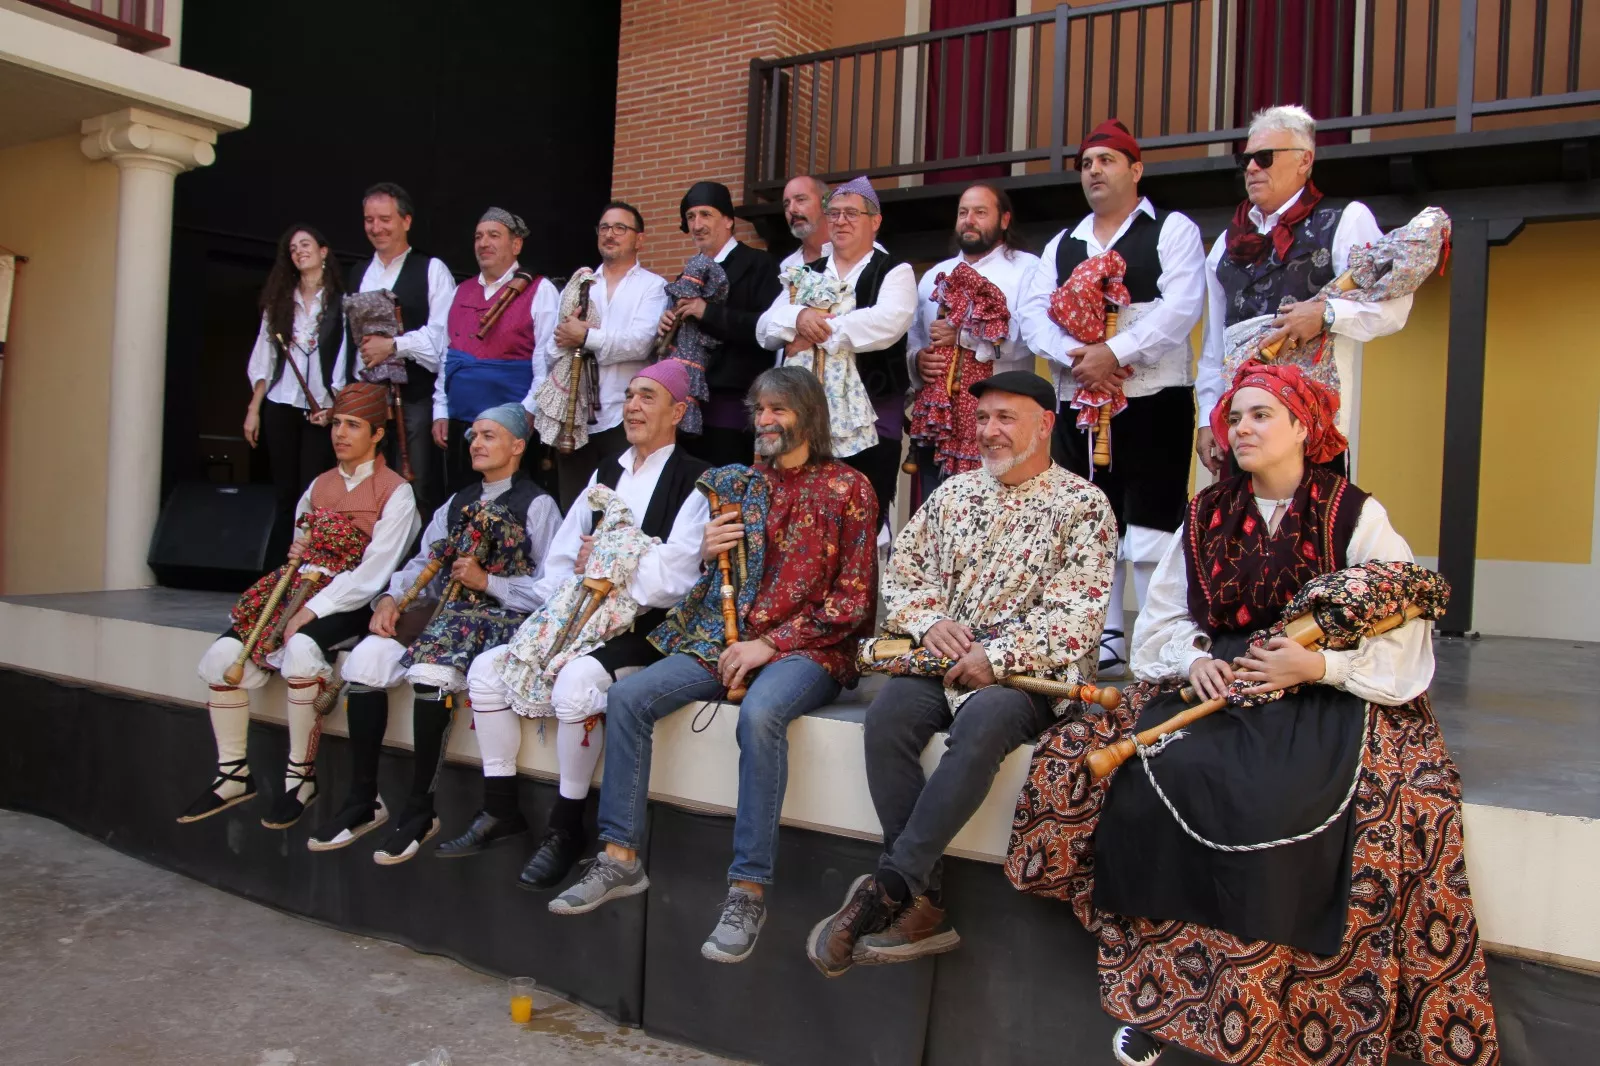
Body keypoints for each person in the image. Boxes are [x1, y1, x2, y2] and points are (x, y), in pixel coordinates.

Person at [1005, 361, 1500, 1066]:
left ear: (1304, 426)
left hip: (1322, 689)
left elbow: (1403, 621)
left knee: (1272, 798)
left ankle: (1268, 1008)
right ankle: (1163, 994)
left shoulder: (1354, 513)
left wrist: (1320, 665)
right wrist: (1196, 655)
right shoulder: (1207, 513)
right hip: (1224, 676)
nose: (1242, 428)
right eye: (1234, 417)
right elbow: (1166, 619)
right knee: (1153, 779)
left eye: (1262, 415)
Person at [549, 366, 878, 965]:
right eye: (759, 411)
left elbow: (854, 602)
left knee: (760, 714)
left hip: (811, 649)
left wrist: (770, 645)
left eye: (779, 410)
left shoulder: (848, 488)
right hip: (725, 636)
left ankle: (747, 889)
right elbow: (708, 580)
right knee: (627, 698)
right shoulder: (737, 486)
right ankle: (620, 858)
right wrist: (708, 552)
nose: (766, 422)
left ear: (809, 415)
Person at [806, 371, 1115, 976]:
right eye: (982, 419)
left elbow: (1078, 613)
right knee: (889, 715)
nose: (990, 432)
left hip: (1031, 676)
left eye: (1006, 418)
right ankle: (925, 900)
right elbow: (905, 574)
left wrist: (996, 658)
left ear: (1045, 424)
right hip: (943, 659)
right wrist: (930, 622)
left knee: (985, 723)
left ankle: (890, 886)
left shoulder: (1084, 505)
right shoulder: (952, 495)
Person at [446, 362, 710, 890]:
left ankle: (566, 829)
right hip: (575, 614)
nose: (633, 406)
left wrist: (609, 556)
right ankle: (500, 807)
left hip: (643, 625)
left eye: (648, 397)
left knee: (576, 683)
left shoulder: (695, 481)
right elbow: (564, 557)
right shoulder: (605, 473)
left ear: (678, 412)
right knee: (486, 671)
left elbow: (674, 579)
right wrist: (555, 608)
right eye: (630, 395)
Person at [311, 404, 561, 863]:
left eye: (490, 436)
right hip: (440, 616)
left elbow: (553, 588)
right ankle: (363, 799)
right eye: (474, 437)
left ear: (518, 446)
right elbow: (420, 562)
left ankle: (420, 809)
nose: (478, 444)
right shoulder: (458, 501)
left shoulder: (537, 504)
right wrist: (390, 598)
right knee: (365, 661)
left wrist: (489, 583)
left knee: (430, 672)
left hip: (497, 619)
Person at [179, 383, 421, 830]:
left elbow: (375, 572)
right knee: (219, 658)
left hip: (353, 599)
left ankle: (300, 778)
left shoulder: (396, 492)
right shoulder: (318, 485)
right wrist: (296, 574)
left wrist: (313, 610)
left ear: (378, 434)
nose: (340, 434)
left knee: (303, 650)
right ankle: (233, 773)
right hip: (301, 588)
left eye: (353, 425)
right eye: (336, 424)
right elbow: (302, 545)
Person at [1017, 118, 1206, 678]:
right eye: (1087, 163)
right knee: (1095, 517)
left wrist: (1116, 352)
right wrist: (1081, 356)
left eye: (1107, 160)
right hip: (1080, 399)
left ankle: (1154, 634)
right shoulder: (1063, 244)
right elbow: (1033, 313)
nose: (1095, 171)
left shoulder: (1172, 229)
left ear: (1135, 169)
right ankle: (1107, 635)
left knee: (1151, 521)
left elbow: (1182, 306)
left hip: (1154, 398)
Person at [1195, 104, 1413, 480]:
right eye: (1246, 159)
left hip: (1311, 428)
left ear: (1304, 160)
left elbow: (1394, 307)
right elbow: (1217, 345)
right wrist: (1206, 416)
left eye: (1264, 157)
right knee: (1237, 536)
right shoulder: (1225, 244)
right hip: (1241, 427)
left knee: (1313, 534)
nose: (1251, 168)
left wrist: (1328, 315)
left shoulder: (1345, 221)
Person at [756, 175, 915, 518]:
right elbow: (764, 329)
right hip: (804, 415)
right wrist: (797, 317)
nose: (841, 221)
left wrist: (818, 329)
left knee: (860, 518)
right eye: (835, 214)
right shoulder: (803, 272)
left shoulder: (894, 270)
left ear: (875, 221)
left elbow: (888, 322)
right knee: (797, 514)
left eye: (852, 214)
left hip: (869, 416)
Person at [906, 184, 1041, 496]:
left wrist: (963, 336)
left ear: (1004, 219)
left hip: (1003, 417)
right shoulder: (934, 275)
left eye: (981, 213)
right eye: (963, 213)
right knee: (937, 510)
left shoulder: (1026, 268)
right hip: (940, 423)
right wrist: (917, 360)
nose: (969, 220)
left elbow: (1029, 340)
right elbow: (913, 337)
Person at [336, 182, 455, 520]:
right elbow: (348, 342)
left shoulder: (431, 269)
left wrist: (393, 346)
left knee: (414, 486)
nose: (376, 228)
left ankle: (410, 569)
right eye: (369, 220)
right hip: (367, 401)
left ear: (406, 221)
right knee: (363, 487)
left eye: (385, 219)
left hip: (415, 399)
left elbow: (442, 339)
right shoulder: (359, 272)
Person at [544, 201, 671, 511]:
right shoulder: (581, 284)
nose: (610, 234)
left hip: (625, 415)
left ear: (639, 239)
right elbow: (551, 348)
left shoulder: (653, 286)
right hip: (574, 416)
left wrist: (585, 337)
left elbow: (639, 344)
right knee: (573, 509)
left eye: (620, 228)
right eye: (604, 228)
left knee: (621, 509)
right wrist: (570, 339)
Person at [429, 208, 558, 495]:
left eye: (493, 235)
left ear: (516, 244)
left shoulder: (540, 290)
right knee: (461, 503)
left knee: (509, 510)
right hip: (461, 422)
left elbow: (546, 361)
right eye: (478, 236)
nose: (484, 243)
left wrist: (529, 411)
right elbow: (446, 356)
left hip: (511, 426)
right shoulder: (459, 291)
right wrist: (440, 410)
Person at [660, 181, 783, 467]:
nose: (697, 224)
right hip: (686, 402)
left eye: (706, 215)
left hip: (731, 401)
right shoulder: (687, 272)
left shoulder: (760, 265)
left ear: (728, 220)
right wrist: (668, 325)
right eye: (691, 217)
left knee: (723, 496)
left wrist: (708, 313)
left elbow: (767, 331)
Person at [244, 224, 344, 537]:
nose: (299, 251)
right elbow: (265, 357)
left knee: (314, 492)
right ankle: (281, 571)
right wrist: (253, 409)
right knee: (285, 493)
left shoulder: (341, 303)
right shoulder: (280, 302)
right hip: (280, 404)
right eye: (293, 248)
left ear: (323, 251)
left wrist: (337, 408)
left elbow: (346, 360)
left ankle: (309, 570)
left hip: (322, 409)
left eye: (305, 244)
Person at [778, 175, 832, 270]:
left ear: (825, 203)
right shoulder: (786, 268)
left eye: (800, 200)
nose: (791, 209)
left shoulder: (852, 255)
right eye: (786, 205)